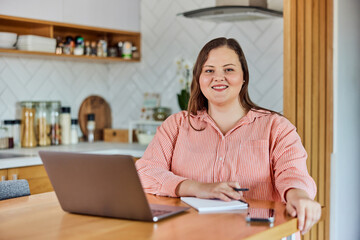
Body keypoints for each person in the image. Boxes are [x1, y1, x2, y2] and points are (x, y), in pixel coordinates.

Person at [135, 37, 321, 236]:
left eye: (229, 69)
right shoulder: (177, 125)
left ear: (244, 77)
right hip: (187, 233)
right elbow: (144, 172)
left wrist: (299, 196)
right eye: (209, 70)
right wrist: (197, 188)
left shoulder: (276, 127)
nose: (218, 77)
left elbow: (293, 174)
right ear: (199, 78)